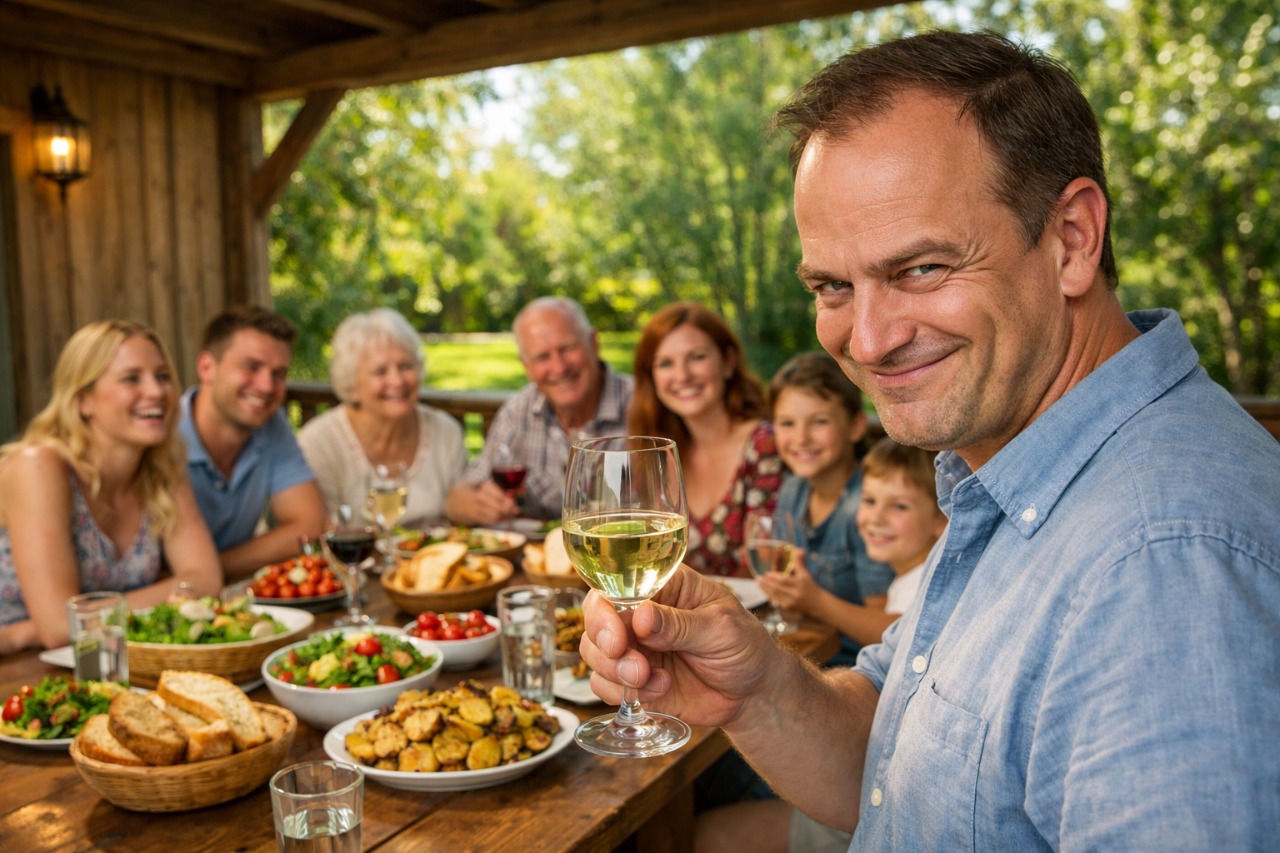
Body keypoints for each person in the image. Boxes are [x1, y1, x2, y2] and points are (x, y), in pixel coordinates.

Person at [582, 30, 1280, 851]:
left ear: (1072, 239)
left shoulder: (1164, 564)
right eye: (832, 285)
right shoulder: (1015, 467)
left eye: (919, 269)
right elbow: (893, 768)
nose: (868, 340)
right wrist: (755, 687)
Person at [0, 320, 222, 652]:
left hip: (101, 655)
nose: (156, 391)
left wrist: (26, 632)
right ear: (83, 400)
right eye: (131, 378)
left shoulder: (162, 468)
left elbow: (206, 580)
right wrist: (169, 594)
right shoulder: (39, 466)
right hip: (18, 668)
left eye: (162, 376)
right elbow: (59, 628)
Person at [757, 352, 895, 665]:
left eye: (819, 421)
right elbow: (792, 604)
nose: (801, 438)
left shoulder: (872, 505)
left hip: (860, 668)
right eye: (787, 423)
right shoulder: (793, 491)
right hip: (810, 655)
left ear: (855, 426)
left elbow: (890, 632)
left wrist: (814, 601)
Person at [628, 302, 784, 578]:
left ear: (728, 362)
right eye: (665, 363)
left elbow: (770, 565)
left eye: (697, 357)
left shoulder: (765, 445)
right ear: (650, 377)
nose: (682, 375)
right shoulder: (655, 455)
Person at [445, 297, 633, 525]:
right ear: (526, 366)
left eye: (567, 348)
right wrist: (479, 506)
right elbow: (458, 498)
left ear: (593, 343)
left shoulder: (640, 403)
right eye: (542, 357)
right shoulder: (519, 410)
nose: (559, 367)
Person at [179, 306, 325, 581]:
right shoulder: (161, 436)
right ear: (207, 367)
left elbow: (309, 526)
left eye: (278, 374)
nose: (267, 387)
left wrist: (206, 573)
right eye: (251, 367)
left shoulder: (270, 423)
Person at [298, 308, 466, 528]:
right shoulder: (319, 442)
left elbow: (462, 520)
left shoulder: (446, 431)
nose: (397, 381)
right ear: (352, 385)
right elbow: (323, 531)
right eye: (380, 371)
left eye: (405, 366)